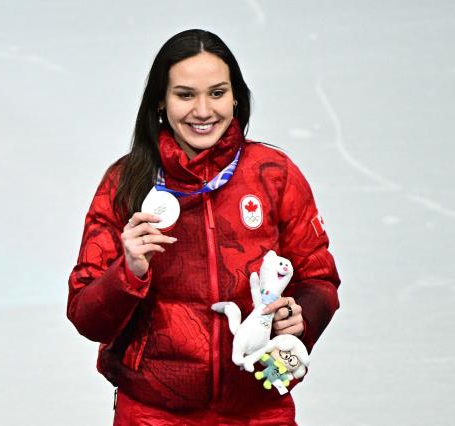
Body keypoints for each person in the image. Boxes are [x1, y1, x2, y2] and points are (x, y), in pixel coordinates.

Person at [67, 29, 340, 425]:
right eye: (185, 94)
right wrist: (129, 270)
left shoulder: (273, 174)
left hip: (259, 409)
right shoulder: (125, 183)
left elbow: (319, 278)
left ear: (235, 97)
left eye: (216, 93)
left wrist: (302, 318)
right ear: (161, 101)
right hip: (153, 414)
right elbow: (85, 315)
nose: (203, 110)